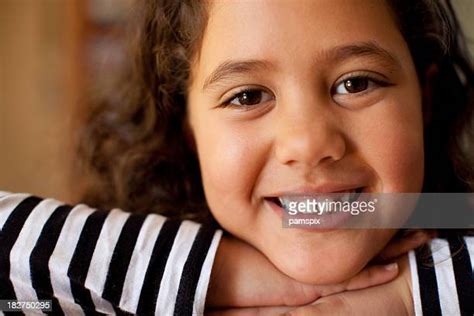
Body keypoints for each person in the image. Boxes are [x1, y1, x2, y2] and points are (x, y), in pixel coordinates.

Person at [1, 0, 473, 315]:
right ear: (187, 130)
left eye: (356, 83)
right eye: (247, 97)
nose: (307, 143)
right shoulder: (108, 294)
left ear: (425, 102)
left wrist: (404, 296)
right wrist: (217, 276)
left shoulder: (445, 219)